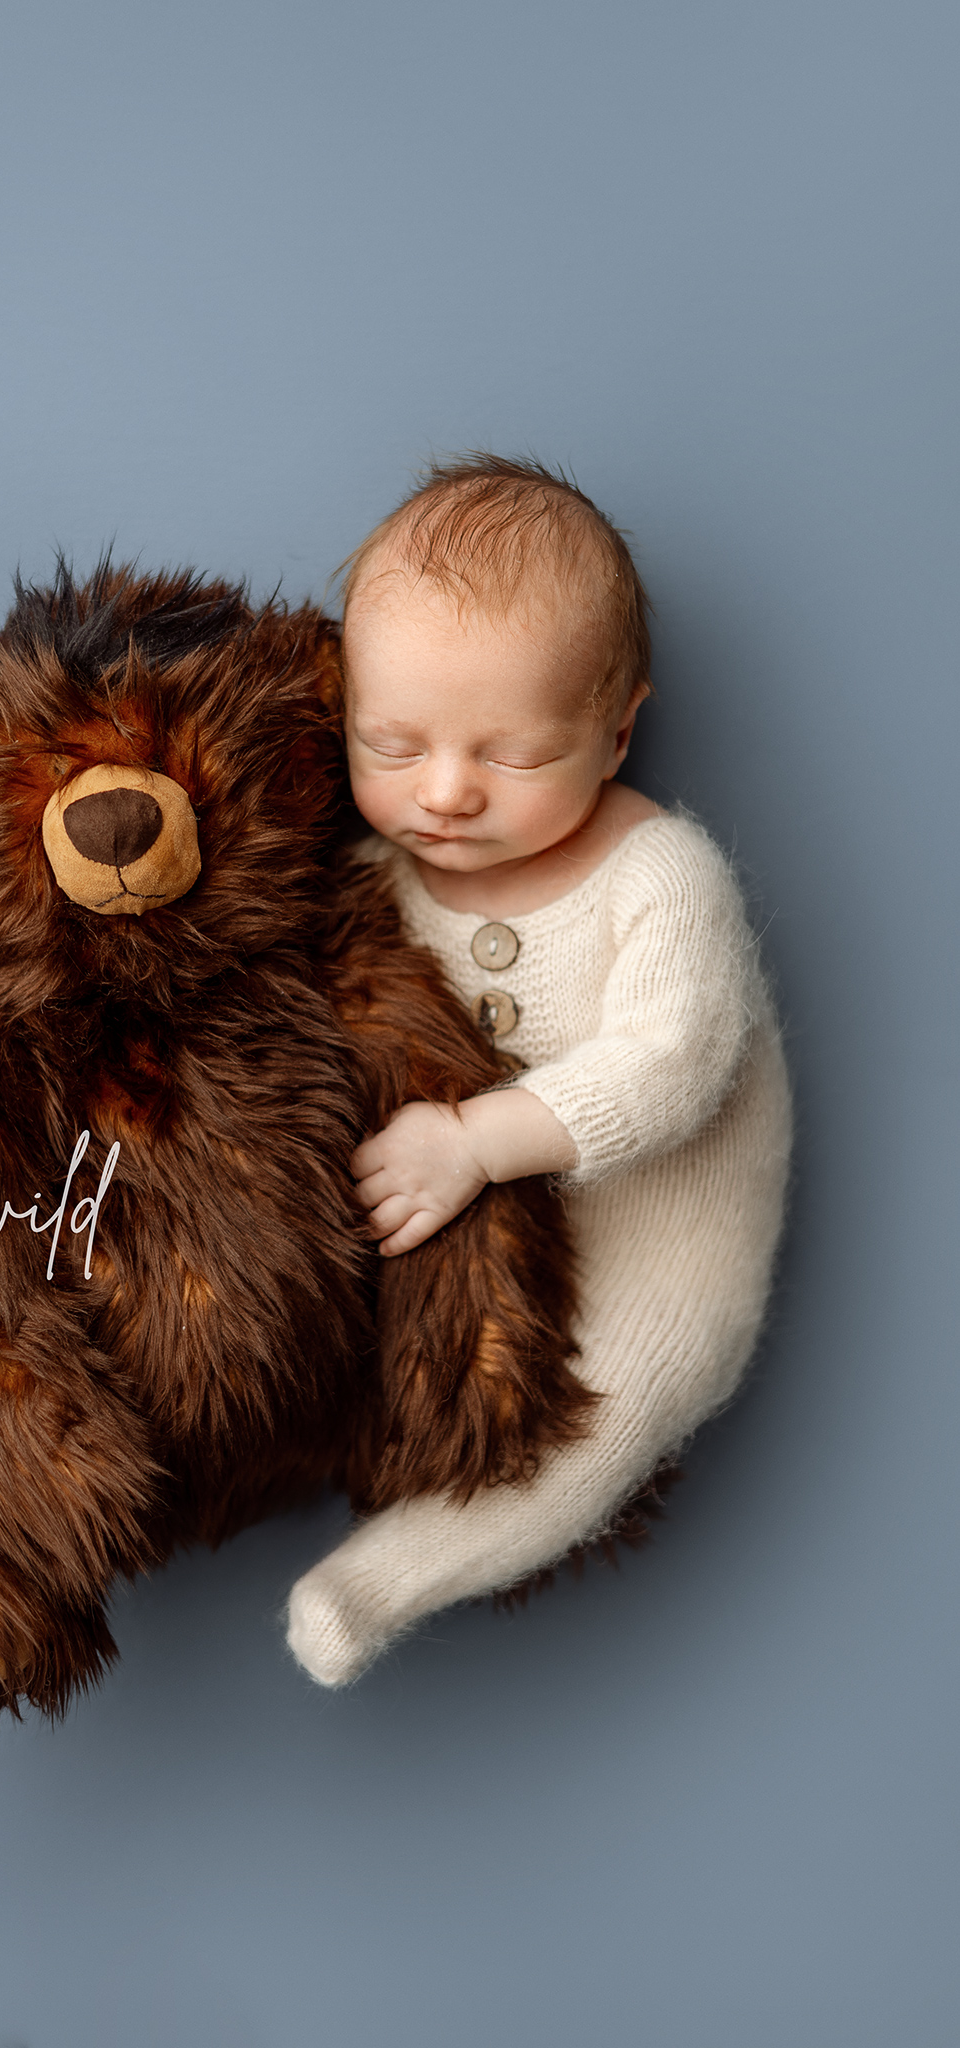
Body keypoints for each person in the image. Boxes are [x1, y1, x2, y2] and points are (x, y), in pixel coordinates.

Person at [286, 455, 792, 1686]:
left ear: (617, 728)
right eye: (391, 743)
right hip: (469, 1247)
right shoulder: (370, 877)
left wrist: (474, 1142)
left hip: (660, 1244)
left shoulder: (657, 877)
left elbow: (676, 1062)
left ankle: (382, 1579)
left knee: (619, 1404)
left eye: (509, 755)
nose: (445, 791)